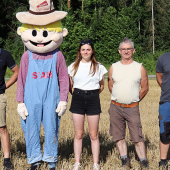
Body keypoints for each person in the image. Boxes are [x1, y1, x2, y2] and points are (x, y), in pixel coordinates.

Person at [15, 0, 69, 170]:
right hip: (31, 98)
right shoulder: (26, 57)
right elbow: (21, 79)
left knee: (52, 128)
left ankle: (51, 159)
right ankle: (34, 159)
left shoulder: (57, 55)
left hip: (51, 98)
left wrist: (63, 99)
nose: (39, 39)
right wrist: (20, 102)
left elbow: (63, 79)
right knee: (31, 129)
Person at [108, 37, 149, 170]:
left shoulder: (140, 67)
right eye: (124, 49)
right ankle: (125, 160)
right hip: (115, 107)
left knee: (137, 137)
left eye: (129, 49)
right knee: (119, 137)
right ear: (119, 51)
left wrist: (134, 100)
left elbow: (145, 88)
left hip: (132, 108)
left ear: (133, 50)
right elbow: (111, 86)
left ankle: (143, 162)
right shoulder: (113, 67)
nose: (126, 51)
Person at [68, 39, 107, 170]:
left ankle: (95, 164)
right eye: (83, 49)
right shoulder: (72, 66)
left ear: (92, 51)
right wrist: (80, 95)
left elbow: (102, 86)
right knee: (78, 134)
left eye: (88, 49)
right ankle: (77, 163)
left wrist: (91, 95)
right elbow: (70, 86)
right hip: (77, 98)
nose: (85, 52)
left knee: (93, 134)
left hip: (93, 99)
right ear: (79, 52)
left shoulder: (99, 67)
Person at [0, 48, 19, 170]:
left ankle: (7, 160)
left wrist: (4, 86)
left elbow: (16, 72)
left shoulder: (5, 54)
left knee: (1, 127)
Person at [156, 51, 170, 169]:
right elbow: (160, 79)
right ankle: (163, 161)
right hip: (166, 101)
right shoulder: (163, 58)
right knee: (164, 132)